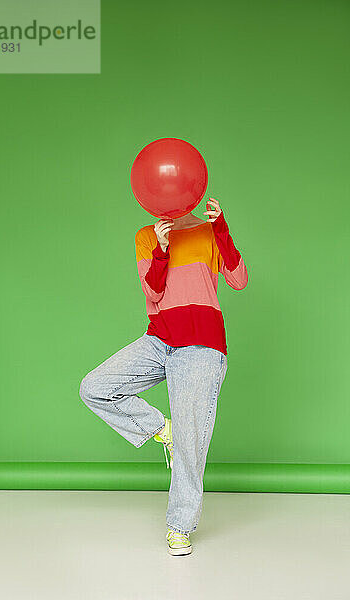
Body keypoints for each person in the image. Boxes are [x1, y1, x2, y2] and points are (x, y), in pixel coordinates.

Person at [79, 197, 248, 556]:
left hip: (201, 344)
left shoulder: (208, 232)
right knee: (94, 387)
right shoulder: (146, 236)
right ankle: (162, 429)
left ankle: (180, 526)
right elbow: (153, 291)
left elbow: (238, 279)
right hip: (159, 339)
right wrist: (162, 248)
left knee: (192, 443)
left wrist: (221, 230)